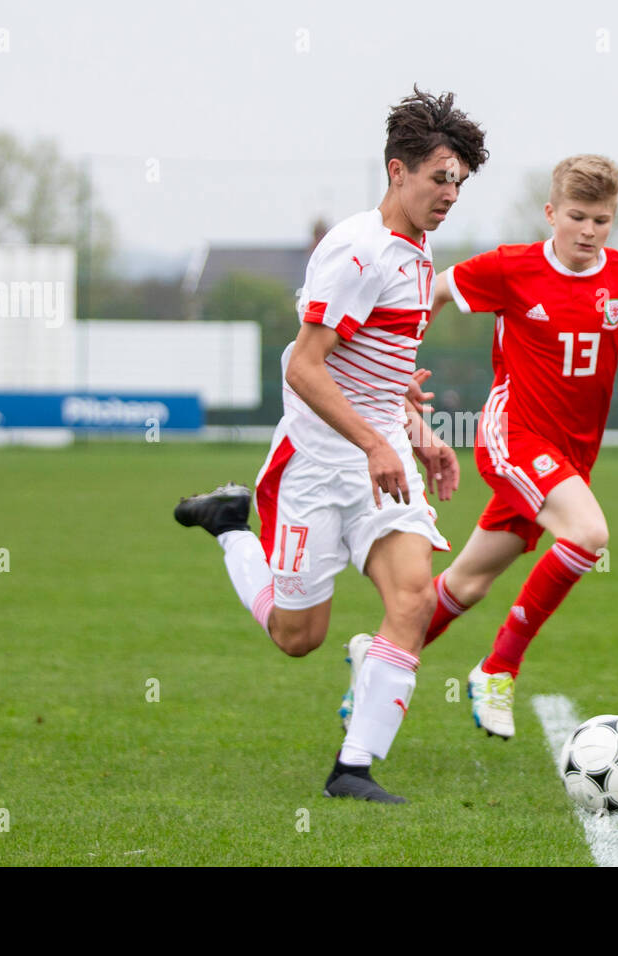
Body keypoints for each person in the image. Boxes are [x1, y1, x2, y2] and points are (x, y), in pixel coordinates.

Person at [174, 86, 487, 803]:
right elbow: (304, 366)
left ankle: (353, 770)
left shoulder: (417, 250)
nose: (450, 194)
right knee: (298, 637)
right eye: (440, 178)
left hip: (378, 458)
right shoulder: (356, 251)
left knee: (412, 596)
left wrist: (417, 430)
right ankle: (230, 527)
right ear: (396, 171)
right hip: (314, 465)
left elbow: (375, 368)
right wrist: (376, 443)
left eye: (460, 183)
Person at [348, 154, 618, 740]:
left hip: (569, 458)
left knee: (467, 583)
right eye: (578, 217)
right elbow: (431, 292)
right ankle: (498, 669)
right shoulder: (514, 268)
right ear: (551, 213)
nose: (589, 231)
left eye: (602, 221)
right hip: (513, 435)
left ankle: (377, 656)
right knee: (588, 535)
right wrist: (401, 366)